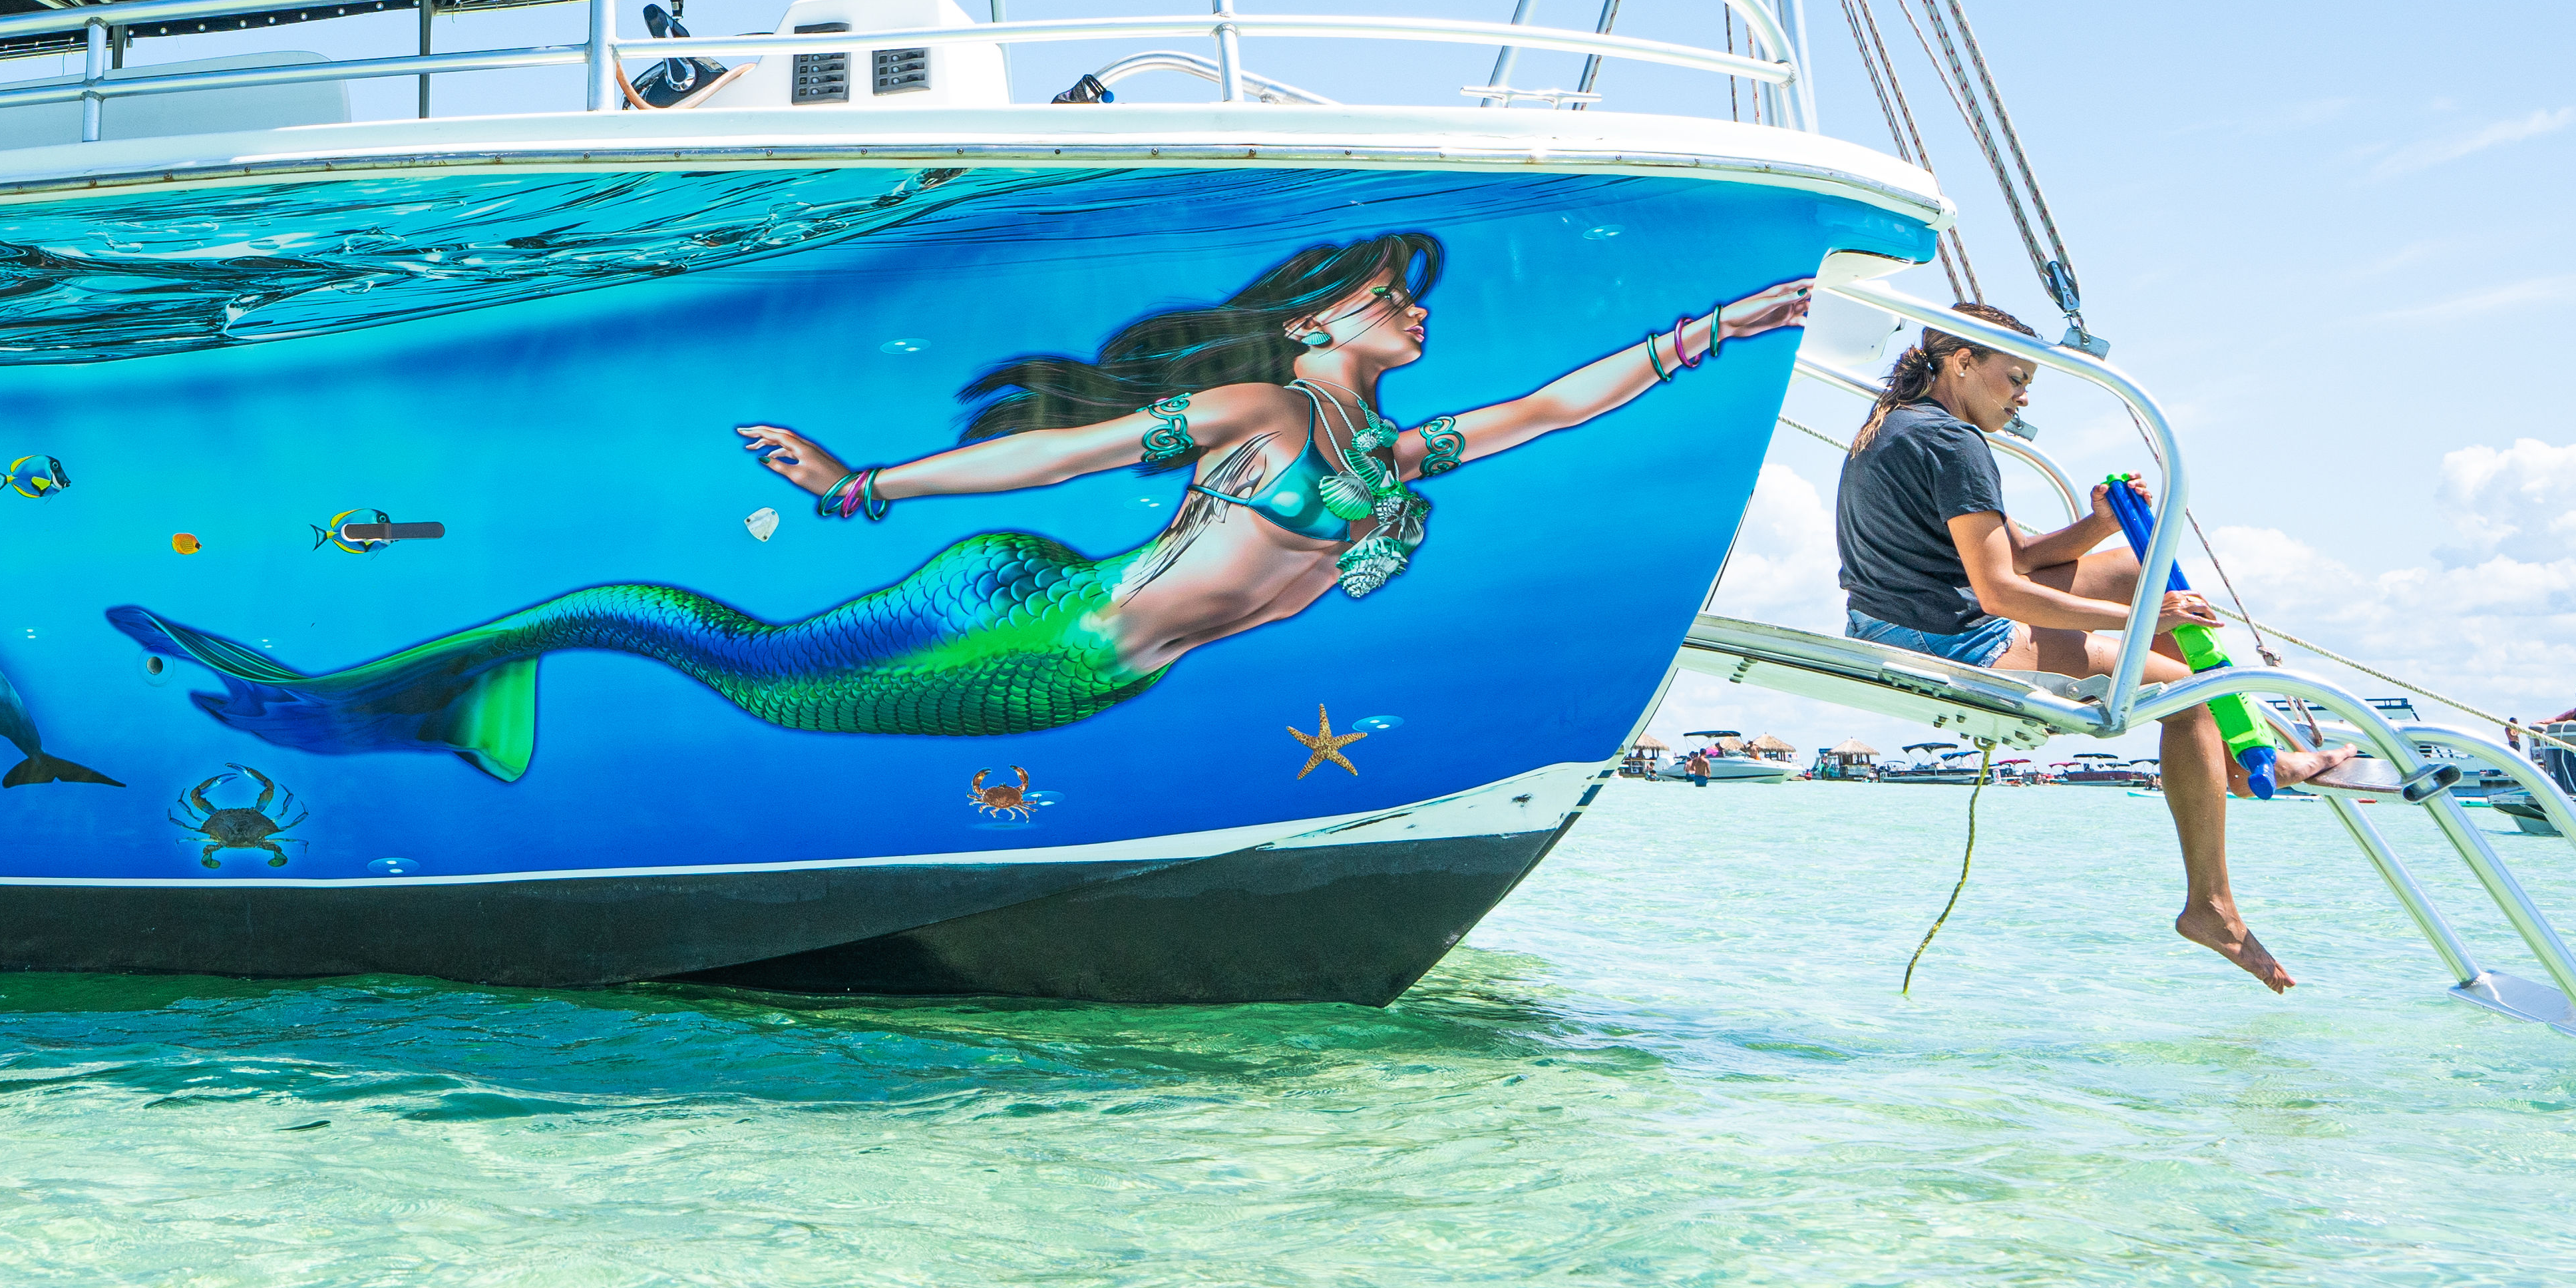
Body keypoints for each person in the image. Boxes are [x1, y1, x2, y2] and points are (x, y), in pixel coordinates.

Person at [124, 234, 1814, 777]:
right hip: (1027, 625)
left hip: (1083, 668)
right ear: (1317, 322)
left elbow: (1554, 406)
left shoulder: (1391, 454)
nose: (1418, 318)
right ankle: (376, 693)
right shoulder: (1264, 412)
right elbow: (1060, 456)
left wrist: (1732, 323)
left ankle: (446, 696)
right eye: (1392, 297)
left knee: (730, 656)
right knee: (735, 661)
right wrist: (862, 484)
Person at [1833, 300, 2292, 990]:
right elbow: (2001, 592)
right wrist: (2141, 621)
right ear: (1964, 362)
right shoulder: (1955, 444)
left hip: (1893, 622)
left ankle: (2239, 760)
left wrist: (2097, 525)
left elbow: (2016, 556)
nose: (2022, 397)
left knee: (2135, 568)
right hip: (1958, 642)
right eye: (2016, 378)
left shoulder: (1896, 424)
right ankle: (2211, 906)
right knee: (2191, 696)